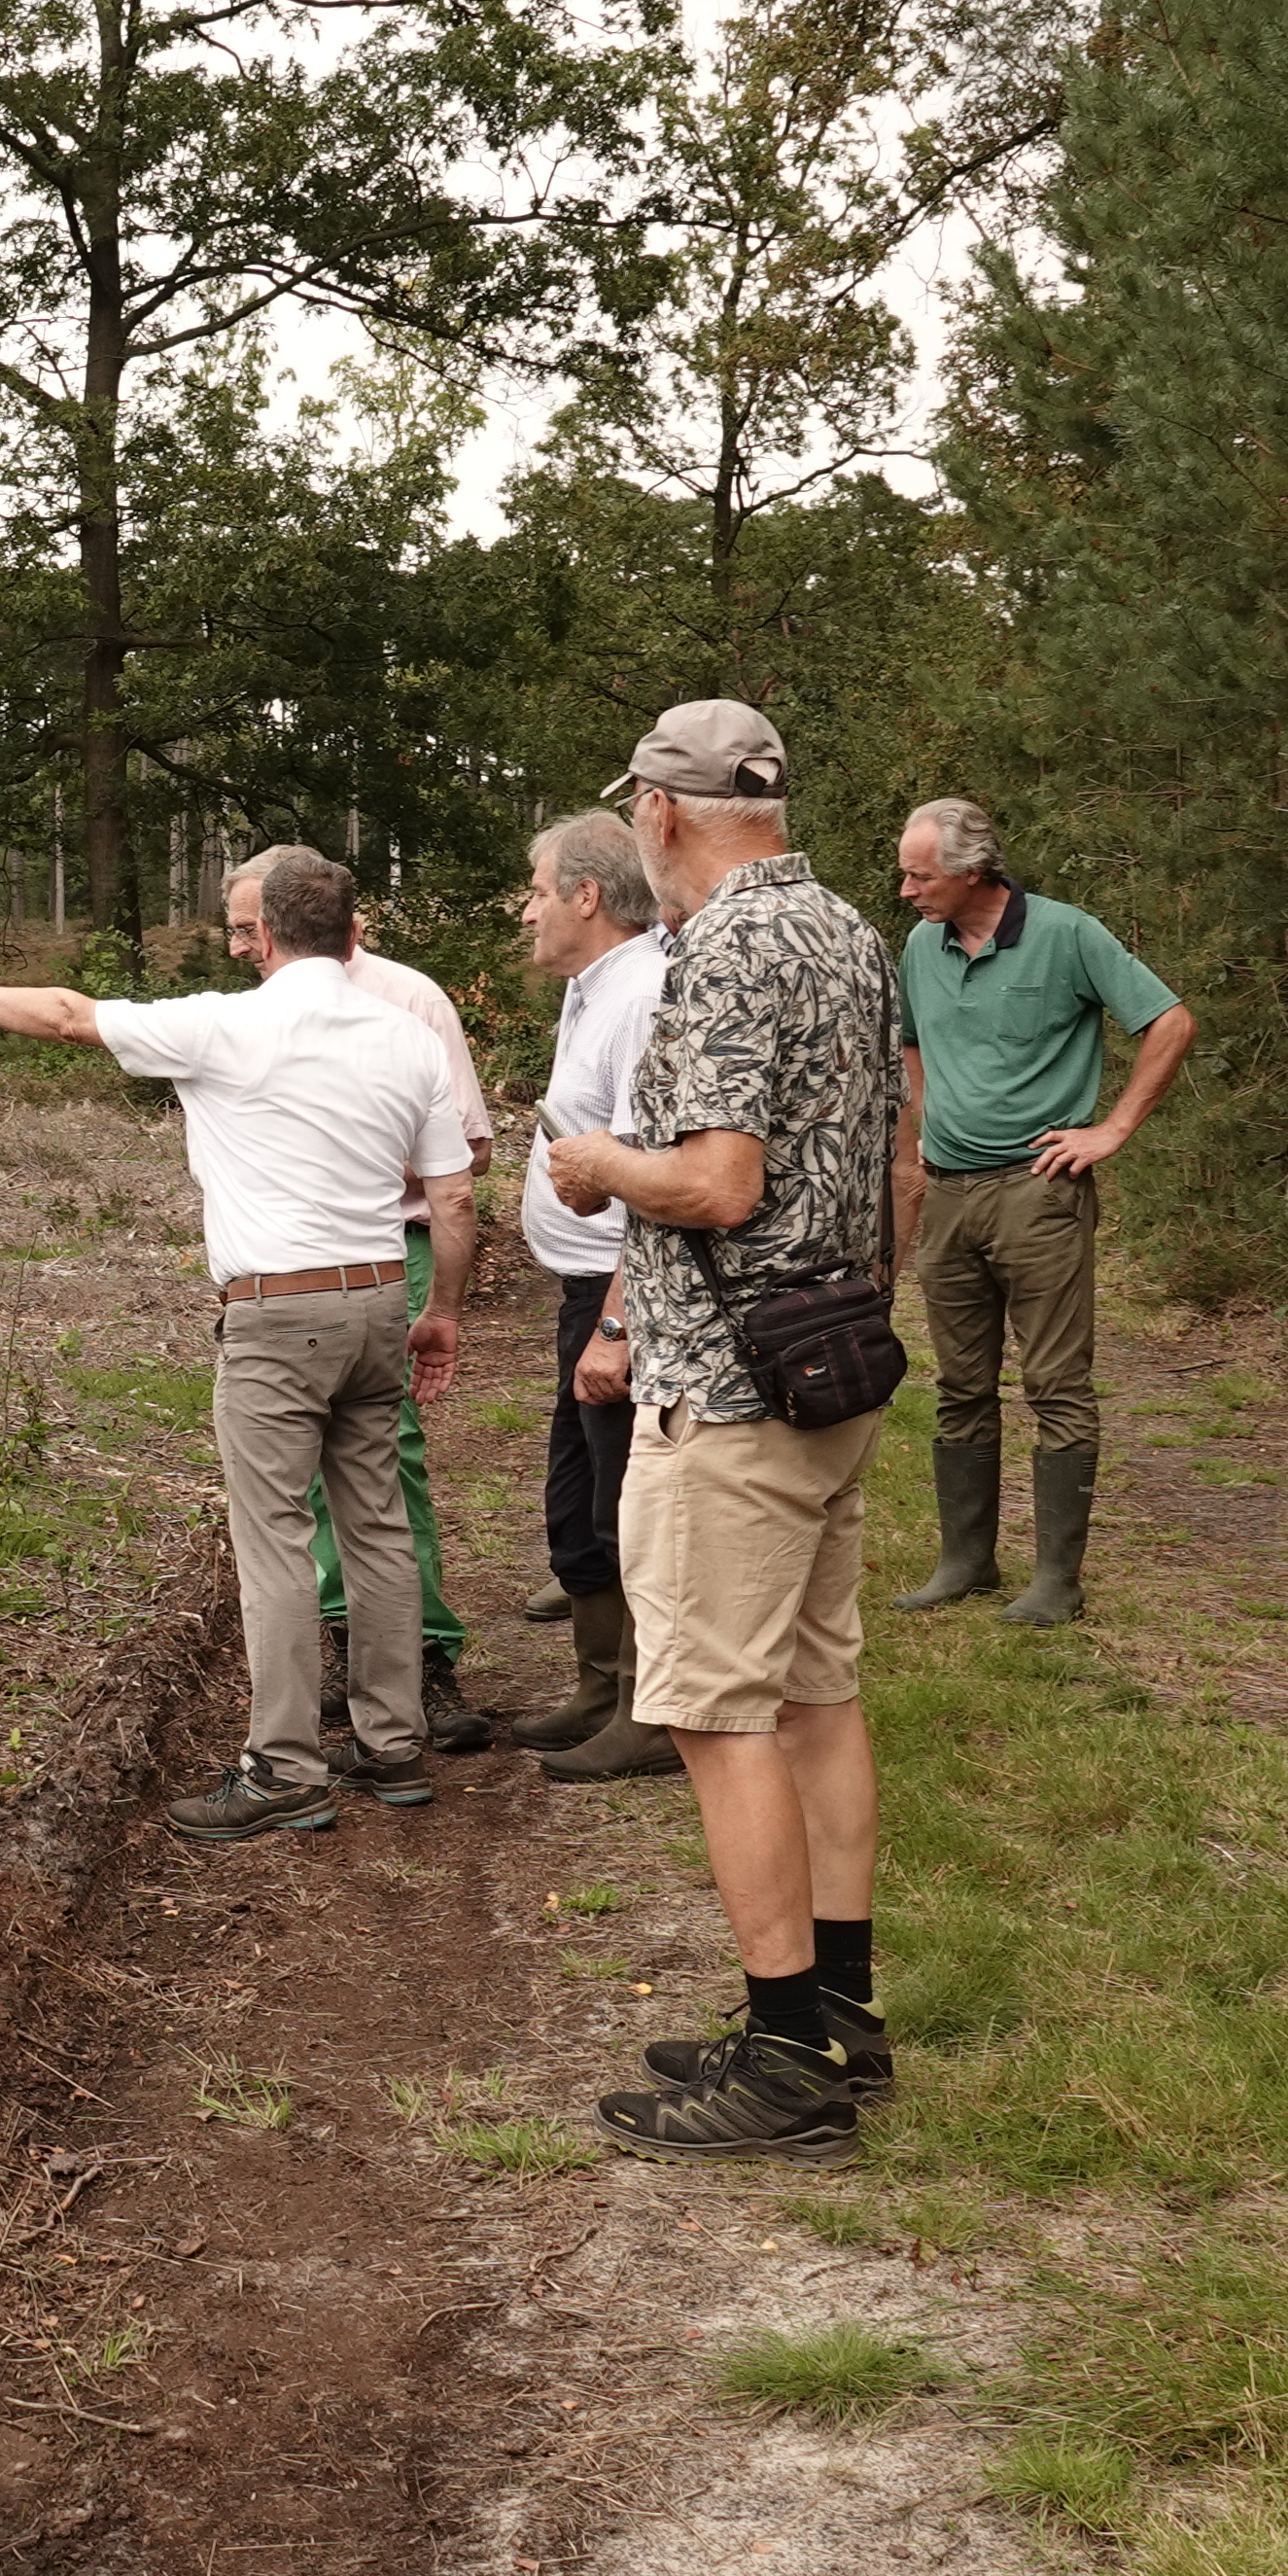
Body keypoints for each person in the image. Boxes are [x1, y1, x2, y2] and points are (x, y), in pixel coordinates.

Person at [0, 847, 476, 1842]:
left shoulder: (224, 1025)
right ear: (350, 930)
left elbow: (72, 1016)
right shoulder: (408, 1036)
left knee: (276, 1541)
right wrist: (443, 1310)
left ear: (271, 933)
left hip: (277, 1314)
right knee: (376, 1527)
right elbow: (455, 1195)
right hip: (381, 1295)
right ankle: (394, 1745)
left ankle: (283, 1768)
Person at [540, 703, 901, 2162]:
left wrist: (596, 1164)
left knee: (713, 1710)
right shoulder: (845, 932)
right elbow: (899, 1147)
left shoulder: (729, 951)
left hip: (736, 1389)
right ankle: (839, 2015)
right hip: (832, 1366)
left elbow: (721, 1184)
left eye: (635, 808)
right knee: (817, 1694)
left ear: (666, 813)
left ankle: (785, 2060)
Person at [887, 797, 1197, 1629]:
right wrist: (922, 1137)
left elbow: (1170, 1020)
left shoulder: (1067, 934)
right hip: (949, 1193)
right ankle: (966, 1561)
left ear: (972, 869)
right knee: (959, 1382)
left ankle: (1057, 1580)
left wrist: (1113, 1128)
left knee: (1056, 1384)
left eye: (921, 874)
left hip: (1038, 1192)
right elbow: (912, 1039)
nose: (907, 889)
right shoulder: (922, 945)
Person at [488, 812, 680, 1781]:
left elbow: (652, 1176)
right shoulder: (591, 986)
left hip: (623, 1298)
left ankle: (654, 1712)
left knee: (625, 1504)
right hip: (584, 1292)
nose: (526, 909)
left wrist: (617, 1325)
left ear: (587, 897)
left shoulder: (642, 992)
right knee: (578, 1503)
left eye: (536, 889)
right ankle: (603, 1686)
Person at [305, 909, 497, 1751]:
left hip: (393, 1242)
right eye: (235, 929)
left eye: (248, 927)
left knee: (387, 1451)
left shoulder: (407, 998)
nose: (240, 945)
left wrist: (350, 1153)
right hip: (296, 1256)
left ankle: (424, 1654)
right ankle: (350, 1646)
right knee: (308, 1455)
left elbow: (470, 1148)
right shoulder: (267, 1002)